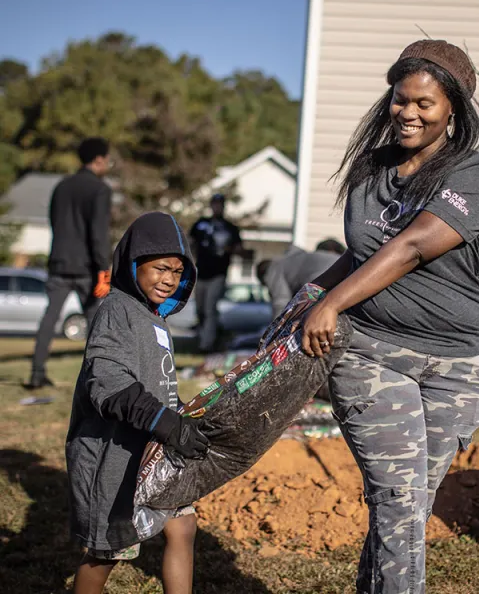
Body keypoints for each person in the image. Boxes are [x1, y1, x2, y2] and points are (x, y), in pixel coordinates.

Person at [300, 40, 479, 593]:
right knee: (399, 500)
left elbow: (414, 246)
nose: (408, 112)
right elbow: (363, 253)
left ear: (453, 110)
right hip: (371, 351)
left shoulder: (477, 174)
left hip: (457, 368)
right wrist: (316, 294)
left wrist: (331, 301)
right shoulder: (371, 171)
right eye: (400, 99)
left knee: (406, 508)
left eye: (424, 104)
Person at [66, 211, 208, 594]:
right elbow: (107, 381)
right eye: (162, 268)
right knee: (108, 550)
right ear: (133, 263)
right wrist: (163, 421)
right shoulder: (116, 310)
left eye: (179, 273)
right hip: (113, 457)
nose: (170, 280)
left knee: (182, 525)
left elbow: (158, 383)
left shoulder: (155, 319)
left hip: (155, 449)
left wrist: (178, 417)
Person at [26, 137, 113, 389]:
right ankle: (97, 377)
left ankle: (36, 372)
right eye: (107, 159)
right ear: (99, 159)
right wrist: (104, 270)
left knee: (49, 318)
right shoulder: (100, 190)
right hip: (86, 267)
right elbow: (98, 234)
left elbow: (54, 221)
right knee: (96, 321)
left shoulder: (62, 186)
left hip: (59, 262)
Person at [189, 193, 243, 352]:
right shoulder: (201, 223)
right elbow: (190, 242)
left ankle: (206, 344)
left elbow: (240, 249)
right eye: (215, 204)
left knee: (209, 308)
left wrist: (229, 249)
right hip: (202, 272)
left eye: (220, 204)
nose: (217, 207)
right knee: (199, 309)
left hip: (218, 274)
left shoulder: (230, 228)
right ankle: (210, 335)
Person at [256, 238, 346, 318]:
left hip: (323, 281)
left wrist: (275, 332)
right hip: (346, 272)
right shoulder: (292, 260)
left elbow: (281, 302)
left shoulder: (274, 269)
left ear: (264, 277)